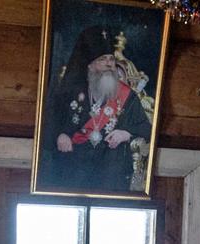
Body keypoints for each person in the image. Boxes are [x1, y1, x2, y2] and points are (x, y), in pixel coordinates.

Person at [41, 25, 152, 193]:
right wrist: (61, 135)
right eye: (102, 60)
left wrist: (126, 134)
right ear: (90, 65)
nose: (109, 64)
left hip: (110, 169)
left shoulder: (127, 96)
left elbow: (146, 128)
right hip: (74, 166)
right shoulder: (70, 92)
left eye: (111, 59)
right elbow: (50, 125)